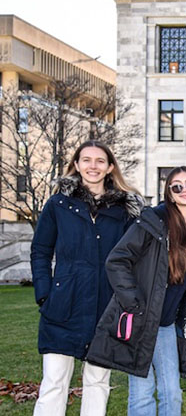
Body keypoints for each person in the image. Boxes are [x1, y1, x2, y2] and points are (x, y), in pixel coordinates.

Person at [86, 166, 186, 416]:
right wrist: (133, 302)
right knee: (143, 394)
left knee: (172, 393)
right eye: (177, 186)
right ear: (170, 194)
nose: (184, 190)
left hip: (165, 324)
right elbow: (117, 260)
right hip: (141, 319)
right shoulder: (152, 222)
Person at [31, 140, 144, 416]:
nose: (93, 166)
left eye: (99, 161)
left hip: (106, 307)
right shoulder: (59, 204)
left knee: (97, 382)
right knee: (54, 381)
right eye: (86, 160)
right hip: (62, 306)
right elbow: (40, 251)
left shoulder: (124, 211)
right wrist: (45, 293)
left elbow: (134, 259)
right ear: (77, 165)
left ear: (110, 167)